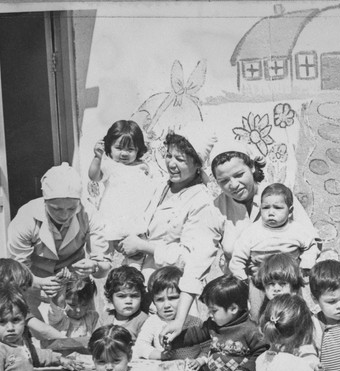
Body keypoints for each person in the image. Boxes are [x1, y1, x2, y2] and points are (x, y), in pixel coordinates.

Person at [160, 139, 318, 345]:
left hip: (289, 285)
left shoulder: (276, 197)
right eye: (224, 181)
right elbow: (197, 262)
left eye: (239, 175)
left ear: (252, 167)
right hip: (247, 293)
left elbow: (310, 241)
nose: (233, 185)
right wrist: (180, 319)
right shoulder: (215, 210)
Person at [116, 124, 223, 298]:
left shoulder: (202, 202)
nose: (171, 163)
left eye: (180, 159)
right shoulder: (161, 186)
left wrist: (143, 246)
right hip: (135, 283)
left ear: (197, 164)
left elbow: (192, 259)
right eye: (168, 156)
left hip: (169, 291)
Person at [7, 162, 111, 312]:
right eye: (56, 209)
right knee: (42, 333)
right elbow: (17, 269)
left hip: (77, 291)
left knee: (81, 333)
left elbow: (104, 265)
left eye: (71, 208)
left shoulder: (89, 214)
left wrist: (94, 266)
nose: (64, 215)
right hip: (34, 285)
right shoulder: (26, 218)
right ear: (45, 202)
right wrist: (38, 282)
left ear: (79, 203)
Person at [230, 183, 318, 320]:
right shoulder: (252, 232)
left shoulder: (297, 230)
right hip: (261, 279)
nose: (271, 212)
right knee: (257, 313)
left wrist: (305, 265)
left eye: (277, 208)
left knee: (297, 309)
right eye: (266, 208)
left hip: (290, 277)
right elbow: (237, 259)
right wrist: (242, 280)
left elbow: (312, 246)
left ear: (290, 211)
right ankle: (261, 332)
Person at [168, 275, 268, 371]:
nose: (209, 314)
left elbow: (261, 353)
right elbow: (195, 334)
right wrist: (172, 340)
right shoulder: (213, 324)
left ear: (233, 309)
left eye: (214, 310)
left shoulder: (251, 330)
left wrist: (246, 370)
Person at [87, 119, 153, 256]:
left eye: (130, 149)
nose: (124, 153)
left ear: (138, 150)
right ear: (109, 147)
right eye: (118, 148)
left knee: (135, 255)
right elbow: (94, 176)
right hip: (113, 217)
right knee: (107, 253)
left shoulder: (142, 167)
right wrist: (97, 157)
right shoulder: (110, 166)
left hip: (134, 219)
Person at [133, 266, 203, 361]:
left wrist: (199, 361)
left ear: (184, 299)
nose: (166, 305)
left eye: (173, 298)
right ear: (153, 301)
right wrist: (161, 355)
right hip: (166, 369)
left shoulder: (195, 322)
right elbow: (140, 346)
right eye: (160, 300)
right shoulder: (153, 321)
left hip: (192, 370)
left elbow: (206, 347)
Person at [101, 266, 149, 341]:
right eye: (121, 296)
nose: (128, 301)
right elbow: (95, 341)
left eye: (134, 296)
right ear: (111, 298)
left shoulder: (143, 320)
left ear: (141, 297)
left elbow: (143, 348)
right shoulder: (105, 317)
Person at [253, 252, 305, 318]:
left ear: (293, 287)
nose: (277, 288)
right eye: (271, 283)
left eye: (283, 283)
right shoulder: (263, 314)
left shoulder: (298, 313)